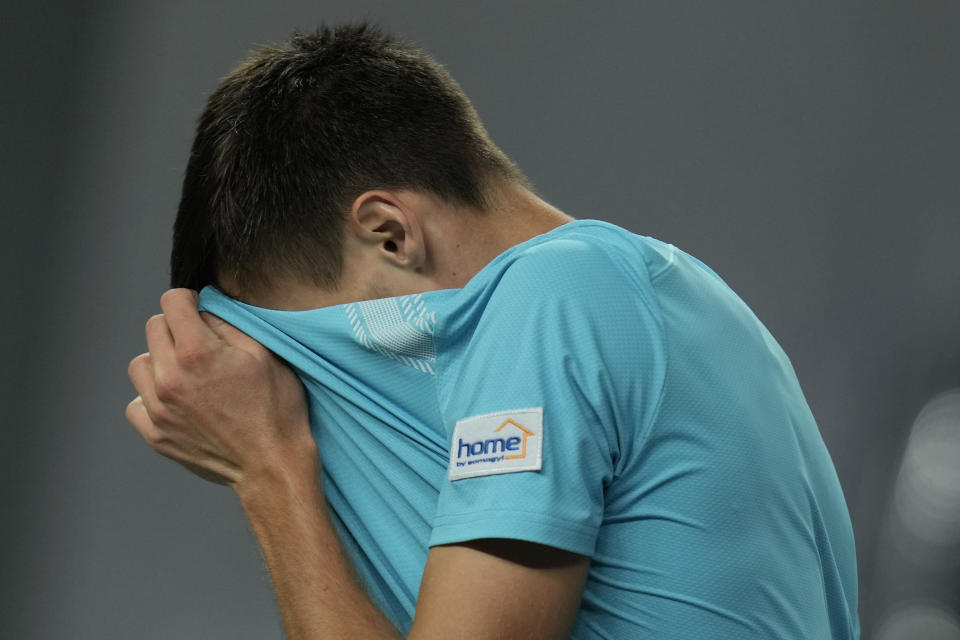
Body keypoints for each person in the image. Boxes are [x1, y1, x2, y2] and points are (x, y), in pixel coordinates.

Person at [126, 23, 860, 639]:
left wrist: (269, 466)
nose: (325, 387)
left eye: (327, 352)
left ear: (390, 234)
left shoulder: (552, 292)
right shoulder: (673, 289)